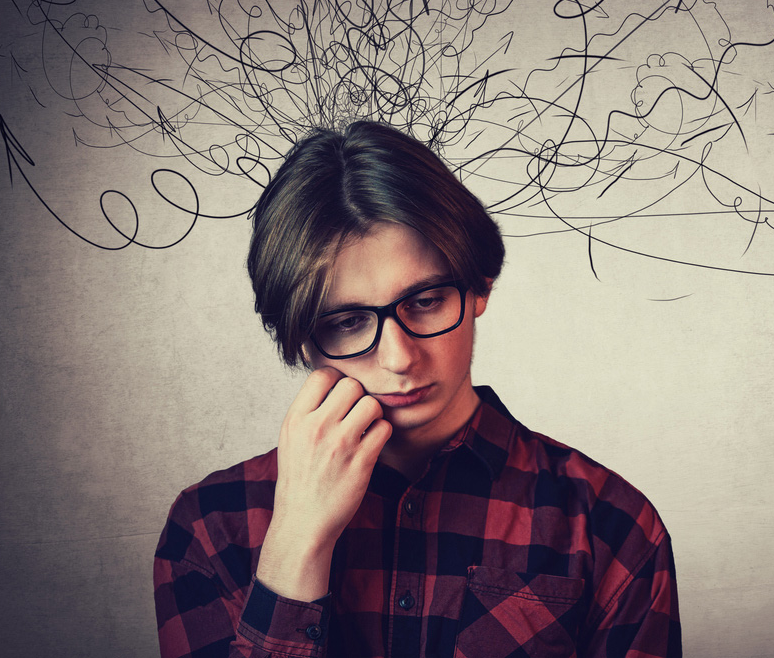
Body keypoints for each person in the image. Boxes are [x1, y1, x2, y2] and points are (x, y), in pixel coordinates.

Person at [153, 121, 681, 657]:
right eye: (348, 321)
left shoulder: (611, 526)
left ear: (479, 288)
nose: (400, 356)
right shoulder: (209, 529)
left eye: (425, 301)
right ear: (301, 338)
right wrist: (295, 543)